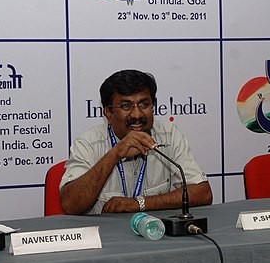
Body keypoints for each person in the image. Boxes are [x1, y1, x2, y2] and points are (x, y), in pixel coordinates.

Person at [60, 69, 212, 215]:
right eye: (126, 106)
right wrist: (115, 154)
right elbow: (70, 205)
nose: (137, 114)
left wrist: (140, 203)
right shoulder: (88, 143)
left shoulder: (169, 134)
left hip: (156, 234)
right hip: (106, 237)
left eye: (144, 104)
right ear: (108, 112)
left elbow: (203, 193)